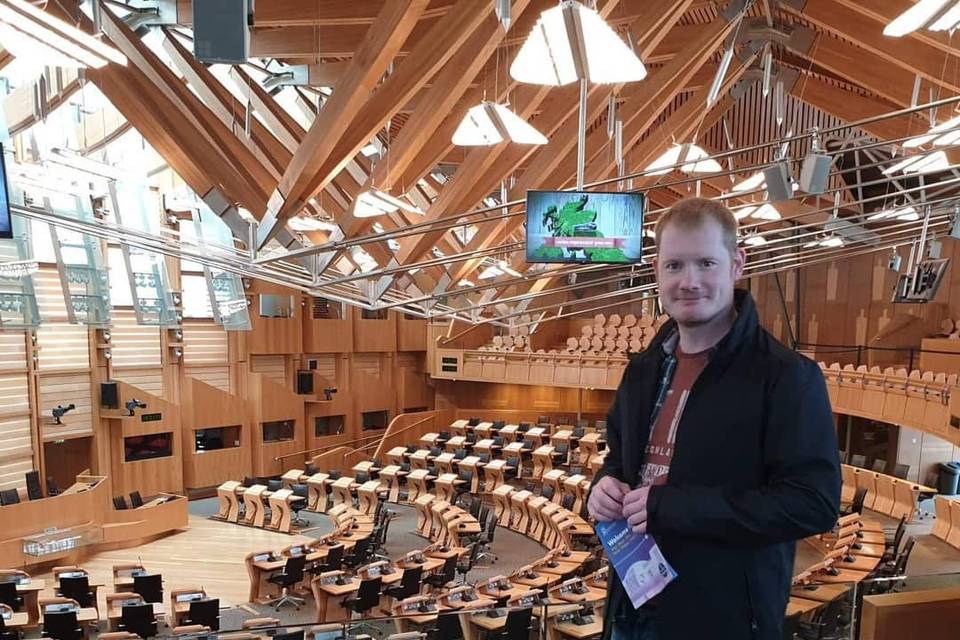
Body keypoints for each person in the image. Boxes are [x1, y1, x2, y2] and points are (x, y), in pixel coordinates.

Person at [587, 197, 841, 640]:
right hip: (633, 602)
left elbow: (813, 504)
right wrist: (602, 490)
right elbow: (621, 462)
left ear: (737, 264)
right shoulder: (642, 370)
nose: (689, 282)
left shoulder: (786, 377)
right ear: (656, 272)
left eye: (706, 262)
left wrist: (674, 507)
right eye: (674, 266)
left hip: (722, 617)